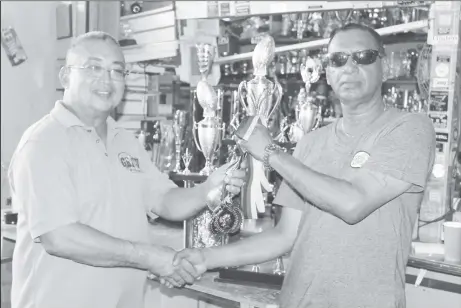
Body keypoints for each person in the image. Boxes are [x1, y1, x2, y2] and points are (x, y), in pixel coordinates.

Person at [173, 23, 436, 308]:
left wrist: (271, 152)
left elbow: (353, 204)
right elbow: (285, 235)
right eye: (337, 59)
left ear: (384, 67)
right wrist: (206, 257)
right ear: (328, 73)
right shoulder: (311, 143)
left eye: (363, 56)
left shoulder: (409, 129)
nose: (348, 67)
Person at [8, 31, 246, 308]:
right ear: (65, 76)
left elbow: (164, 200)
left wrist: (208, 190)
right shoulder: (44, 142)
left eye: (117, 71)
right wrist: (149, 257)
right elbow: (59, 237)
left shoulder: (125, 140)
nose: (106, 80)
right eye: (94, 67)